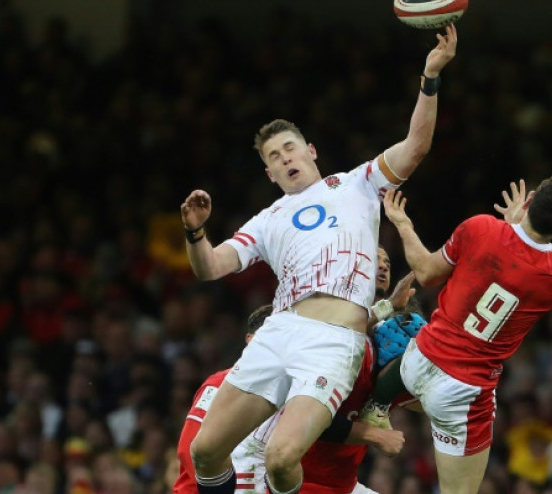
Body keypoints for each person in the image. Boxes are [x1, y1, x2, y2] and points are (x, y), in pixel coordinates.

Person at [179, 24, 457, 494]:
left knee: (281, 458)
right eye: (274, 156)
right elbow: (209, 267)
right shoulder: (267, 219)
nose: (285, 158)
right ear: (269, 173)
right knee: (204, 452)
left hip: (332, 341)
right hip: (280, 329)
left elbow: (416, 147)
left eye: (290, 147)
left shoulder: (358, 183)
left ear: (310, 152)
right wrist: (194, 230)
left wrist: (430, 78)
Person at [377, 177, 552, 494]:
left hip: (417, 361)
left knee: (399, 332)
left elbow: (428, 273)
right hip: (461, 393)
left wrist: (403, 224)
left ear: (528, 201)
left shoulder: (480, 228)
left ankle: (372, 404)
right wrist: (516, 226)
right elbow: (522, 261)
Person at [174, 298, 408, 494]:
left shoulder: (296, 382)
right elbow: (190, 451)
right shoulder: (220, 384)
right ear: (251, 341)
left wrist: (384, 310)